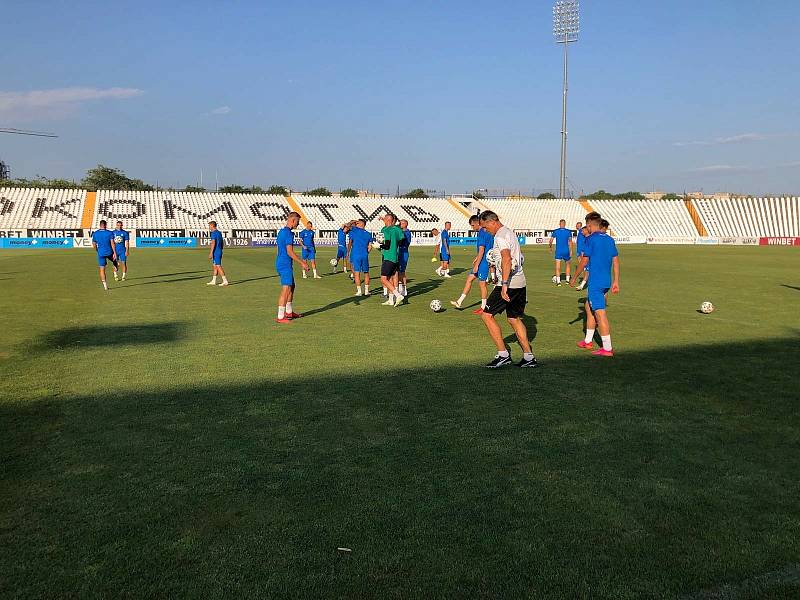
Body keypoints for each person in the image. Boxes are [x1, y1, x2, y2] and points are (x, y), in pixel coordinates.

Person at [478, 211, 537, 368]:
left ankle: (503, 354)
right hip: (520, 281)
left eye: (485, 226)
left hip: (509, 284)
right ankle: (528, 357)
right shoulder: (509, 232)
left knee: (486, 316)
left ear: (493, 221)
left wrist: (503, 284)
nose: (484, 230)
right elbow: (519, 258)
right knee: (513, 319)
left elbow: (506, 258)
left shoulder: (500, 236)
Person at [570, 214, 620, 356]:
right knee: (588, 306)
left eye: (587, 226)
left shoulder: (590, 239)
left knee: (599, 313)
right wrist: (616, 281)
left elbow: (584, 261)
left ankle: (607, 348)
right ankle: (588, 341)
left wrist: (574, 278)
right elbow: (615, 261)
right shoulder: (609, 240)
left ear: (590, 225)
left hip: (596, 282)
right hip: (606, 281)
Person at [451, 215, 493, 314]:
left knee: (482, 284)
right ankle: (459, 301)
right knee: (469, 280)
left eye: (472, 225)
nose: (472, 227)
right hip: (482, 259)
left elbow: (482, 249)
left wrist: (477, 264)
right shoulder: (485, 231)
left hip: (483, 262)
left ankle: (483, 307)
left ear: (477, 223)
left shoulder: (482, 233)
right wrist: (477, 257)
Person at [275, 212, 308, 323]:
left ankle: (289, 312)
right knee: (286, 289)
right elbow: (289, 251)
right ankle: (280, 316)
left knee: (292, 286)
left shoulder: (282, 231)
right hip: (284, 264)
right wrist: (302, 262)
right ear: (293, 220)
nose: (298, 224)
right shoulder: (288, 233)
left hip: (282, 262)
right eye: (298, 222)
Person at [379, 213, 406, 307]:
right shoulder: (397, 230)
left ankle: (398, 295)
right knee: (390, 278)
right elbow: (402, 241)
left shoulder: (386, 230)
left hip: (388, 257)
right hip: (395, 256)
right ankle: (391, 300)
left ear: (388, 220)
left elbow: (386, 245)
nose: (383, 220)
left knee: (383, 279)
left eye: (385, 219)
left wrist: (378, 246)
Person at [348, 219, 373, 296]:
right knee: (366, 273)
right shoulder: (369, 234)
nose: (356, 224)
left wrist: (353, 221)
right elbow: (370, 246)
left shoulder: (355, 230)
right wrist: (366, 253)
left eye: (357, 223)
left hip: (356, 254)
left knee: (357, 273)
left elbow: (348, 225)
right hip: (364, 255)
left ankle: (359, 291)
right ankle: (366, 291)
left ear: (361, 224)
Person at [91, 220, 117, 291]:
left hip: (100, 253)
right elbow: (112, 243)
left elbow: (94, 244)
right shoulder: (109, 233)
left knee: (102, 269)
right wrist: (114, 252)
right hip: (109, 252)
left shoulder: (95, 233)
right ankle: (115, 269)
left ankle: (105, 286)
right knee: (115, 261)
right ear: (105, 225)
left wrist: (97, 250)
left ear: (100, 225)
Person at [549, 218, 573, 285]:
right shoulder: (568, 231)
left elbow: (550, 241)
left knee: (557, 267)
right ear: (565, 224)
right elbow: (570, 242)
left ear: (559, 224)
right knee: (568, 265)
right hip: (566, 251)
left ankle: (558, 282)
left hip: (558, 251)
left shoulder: (556, 231)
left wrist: (550, 247)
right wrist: (571, 251)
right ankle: (567, 280)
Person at [206, 221, 229, 286]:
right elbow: (222, 242)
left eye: (209, 226)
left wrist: (211, 252)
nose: (209, 227)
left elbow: (213, 243)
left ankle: (225, 281)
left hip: (216, 252)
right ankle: (214, 281)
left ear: (212, 225)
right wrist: (221, 248)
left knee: (218, 266)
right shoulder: (219, 233)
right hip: (219, 250)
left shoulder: (213, 233)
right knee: (215, 266)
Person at [397, 219, 412, 296]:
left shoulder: (407, 233)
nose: (400, 224)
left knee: (402, 271)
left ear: (406, 224)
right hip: (398, 253)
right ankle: (400, 287)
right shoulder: (400, 231)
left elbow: (405, 243)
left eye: (402, 223)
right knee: (397, 271)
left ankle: (404, 288)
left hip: (403, 253)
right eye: (400, 223)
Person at [574, 222, 590, 291]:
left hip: (583, 252)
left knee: (584, 267)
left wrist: (582, 252)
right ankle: (584, 283)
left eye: (577, 225)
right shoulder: (580, 232)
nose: (576, 226)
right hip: (580, 251)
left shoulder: (583, 232)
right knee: (584, 267)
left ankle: (584, 283)